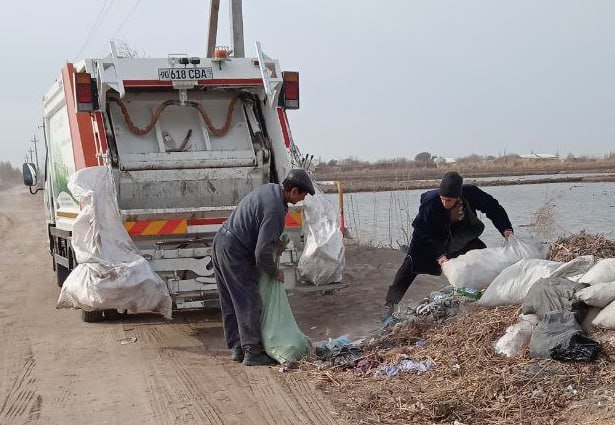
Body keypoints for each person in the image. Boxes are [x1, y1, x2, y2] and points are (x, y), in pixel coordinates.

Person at [213, 169, 315, 366]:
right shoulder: (276, 209)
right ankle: (252, 351)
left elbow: (258, 229)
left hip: (221, 243)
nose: (301, 200)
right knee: (248, 298)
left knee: (230, 300)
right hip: (235, 251)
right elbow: (261, 253)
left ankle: (237, 348)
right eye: (302, 195)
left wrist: (275, 243)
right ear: (294, 191)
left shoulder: (270, 190)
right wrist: (274, 272)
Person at [382, 171, 514, 320]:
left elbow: (493, 207)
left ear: (458, 197)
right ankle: (389, 305)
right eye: (443, 199)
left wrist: (506, 229)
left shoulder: (470, 193)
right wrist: (440, 255)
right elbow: (425, 232)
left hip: (460, 236)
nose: (445, 203)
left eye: (450, 200)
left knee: (483, 258)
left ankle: (491, 293)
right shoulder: (430, 203)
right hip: (427, 238)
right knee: (409, 267)